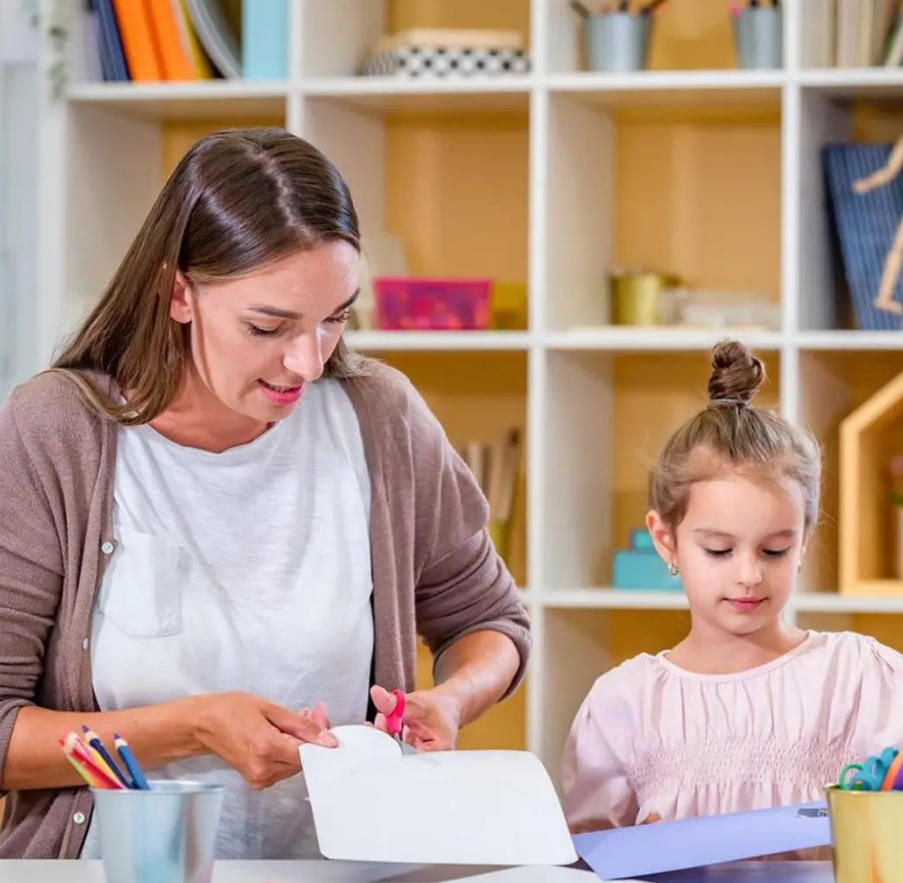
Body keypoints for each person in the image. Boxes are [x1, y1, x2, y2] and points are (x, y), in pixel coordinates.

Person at [0, 127, 531, 861]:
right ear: (178, 292)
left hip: (350, 870)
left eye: (335, 317)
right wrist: (190, 727)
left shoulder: (379, 417)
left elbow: (491, 620)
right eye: (268, 325)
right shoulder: (57, 431)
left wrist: (452, 698)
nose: (308, 362)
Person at [560, 339, 903, 845]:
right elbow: (580, 857)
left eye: (775, 551)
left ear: (803, 540)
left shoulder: (858, 681)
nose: (749, 575)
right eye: (720, 550)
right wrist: (628, 851)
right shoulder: (625, 704)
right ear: (666, 540)